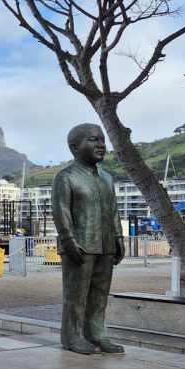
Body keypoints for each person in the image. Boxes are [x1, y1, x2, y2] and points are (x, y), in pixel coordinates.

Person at [52, 123, 125, 355]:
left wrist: (118, 238)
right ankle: (72, 336)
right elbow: (61, 211)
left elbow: (113, 211)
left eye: (102, 140)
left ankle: (96, 333)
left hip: (105, 245)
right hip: (80, 246)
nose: (101, 145)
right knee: (76, 295)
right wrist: (67, 240)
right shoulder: (65, 177)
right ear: (75, 147)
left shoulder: (107, 179)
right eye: (94, 140)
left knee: (99, 295)